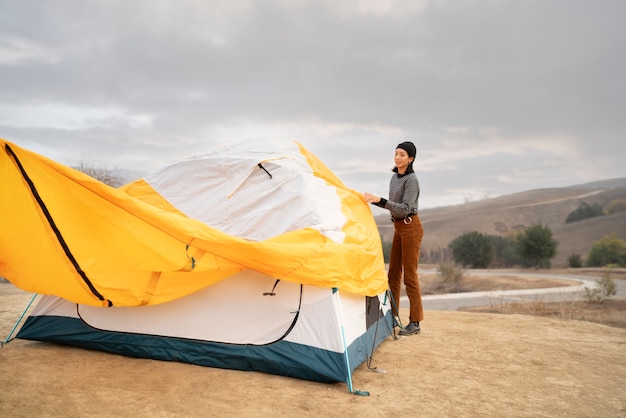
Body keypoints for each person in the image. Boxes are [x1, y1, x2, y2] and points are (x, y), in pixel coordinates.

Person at [364, 141, 424, 336]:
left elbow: (405, 207)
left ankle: (415, 322)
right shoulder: (394, 178)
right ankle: (392, 317)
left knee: (410, 276)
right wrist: (373, 201)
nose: (397, 157)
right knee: (393, 275)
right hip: (399, 227)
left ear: (411, 159)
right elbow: (393, 206)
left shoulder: (411, 180)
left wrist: (379, 200)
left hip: (411, 227)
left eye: (402, 155)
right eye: (396, 153)